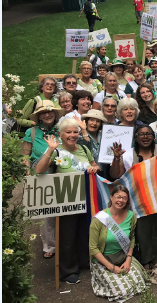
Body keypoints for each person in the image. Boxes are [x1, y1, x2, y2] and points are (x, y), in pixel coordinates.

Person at [36, 119, 100, 284]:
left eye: (75, 132)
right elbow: (39, 170)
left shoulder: (84, 148)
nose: (72, 135)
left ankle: (83, 262)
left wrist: (94, 168)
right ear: (61, 134)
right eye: (69, 132)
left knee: (83, 232)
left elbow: (94, 165)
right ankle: (68, 270)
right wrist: (50, 149)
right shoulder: (57, 151)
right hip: (66, 198)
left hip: (86, 197)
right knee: (67, 234)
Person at [108, 126, 157, 269]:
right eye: (141, 134)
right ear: (136, 138)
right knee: (143, 234)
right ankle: (146, 262)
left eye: (148, 134)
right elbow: (116, 175)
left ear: (154, 137)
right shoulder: (128, 155)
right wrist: (116, 157)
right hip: (139, 202)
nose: (145, 137)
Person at [89, 184, 150, 301]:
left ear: (127, 201)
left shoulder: (131, 216)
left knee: (140, 283)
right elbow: (93, 248)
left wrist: (128, 260)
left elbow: (132, 238)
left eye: (124, 198)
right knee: (121, 290)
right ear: (111, 198)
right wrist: (111, 267)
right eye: (118, 197)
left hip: (122, 257)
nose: (120, 200)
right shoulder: (99, 219)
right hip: (103, 261)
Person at [22, 100, 64, 259]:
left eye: (50, 111)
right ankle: (50, 244)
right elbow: (25, 155)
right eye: (43, 112)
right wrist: (27, 172)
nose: (47, 114)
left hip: (60, 172)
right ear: (39, 116)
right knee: (46, 213)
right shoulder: (31, 132)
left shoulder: (60, 130)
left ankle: (64, 241)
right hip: (40, 174)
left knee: (63, 208)